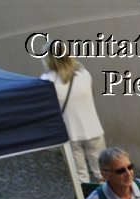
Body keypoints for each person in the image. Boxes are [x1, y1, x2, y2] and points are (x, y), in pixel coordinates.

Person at [41, 46, 105, 184]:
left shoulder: (46, 80)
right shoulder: (84, 74)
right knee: (102, 172)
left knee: (80, 176)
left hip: (68, 133)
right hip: (92, 128)